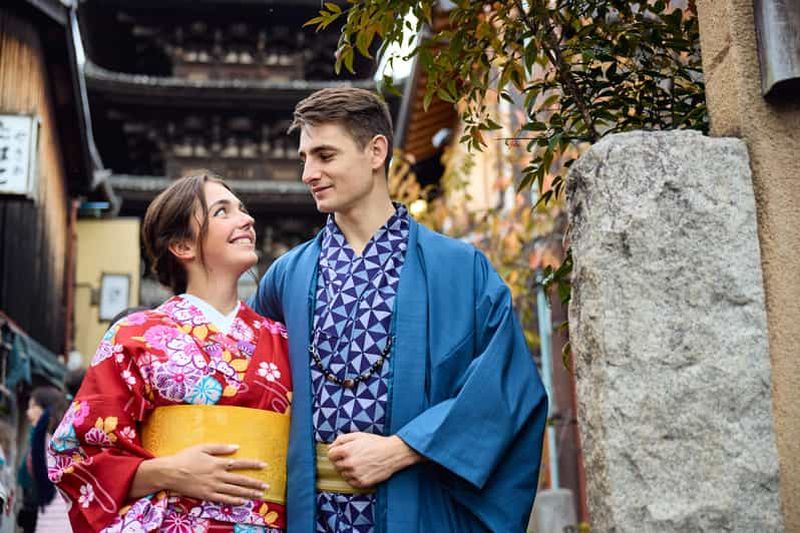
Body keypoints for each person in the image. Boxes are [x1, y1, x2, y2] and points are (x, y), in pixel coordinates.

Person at [250, 88, 549, 532]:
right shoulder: (286, 277)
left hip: (418, 506)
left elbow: (507, 387)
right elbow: (248, 387)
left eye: (325, 155)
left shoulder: (458, 269)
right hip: (308, 514)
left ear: (376, 151)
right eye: (304, 158)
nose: (309, 173)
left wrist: (404, 448)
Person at [48, 173, 293, 532]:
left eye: (242, 209)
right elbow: (74, 459)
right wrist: (168, 472)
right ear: (182, 246)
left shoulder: (283, 340)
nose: (247, 219)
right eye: (222, 211)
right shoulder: (135, 336)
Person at [18, 386, 70, 533]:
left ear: (46, 410)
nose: (28, 412)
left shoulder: (56, 442)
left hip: (57, 519)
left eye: (32, 406)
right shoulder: (38, 441)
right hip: (43, 517)